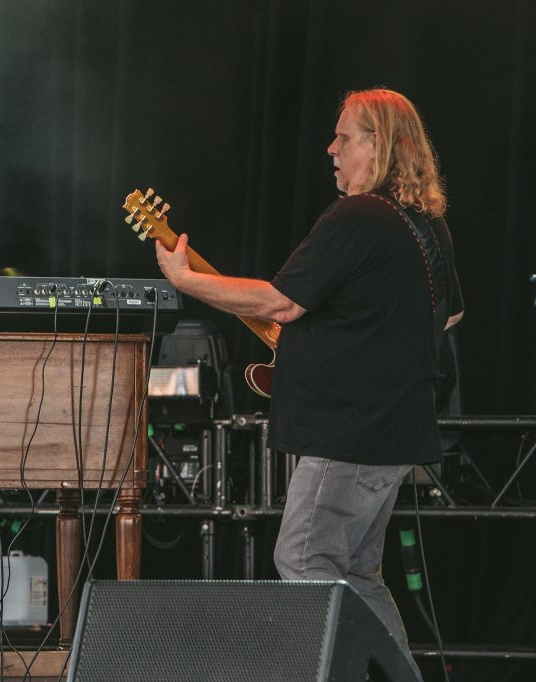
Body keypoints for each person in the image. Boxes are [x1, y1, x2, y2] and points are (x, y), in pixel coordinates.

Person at [155, 88, 462, 678]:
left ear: (379, 146)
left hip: (349, 435)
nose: (331, 148)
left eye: (344, 137)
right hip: (398, 434)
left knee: (302, 557)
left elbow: (279, 302)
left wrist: (185, 279)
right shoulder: (429, 227)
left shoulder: (358, 215)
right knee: (357, 573)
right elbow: (449, 317)